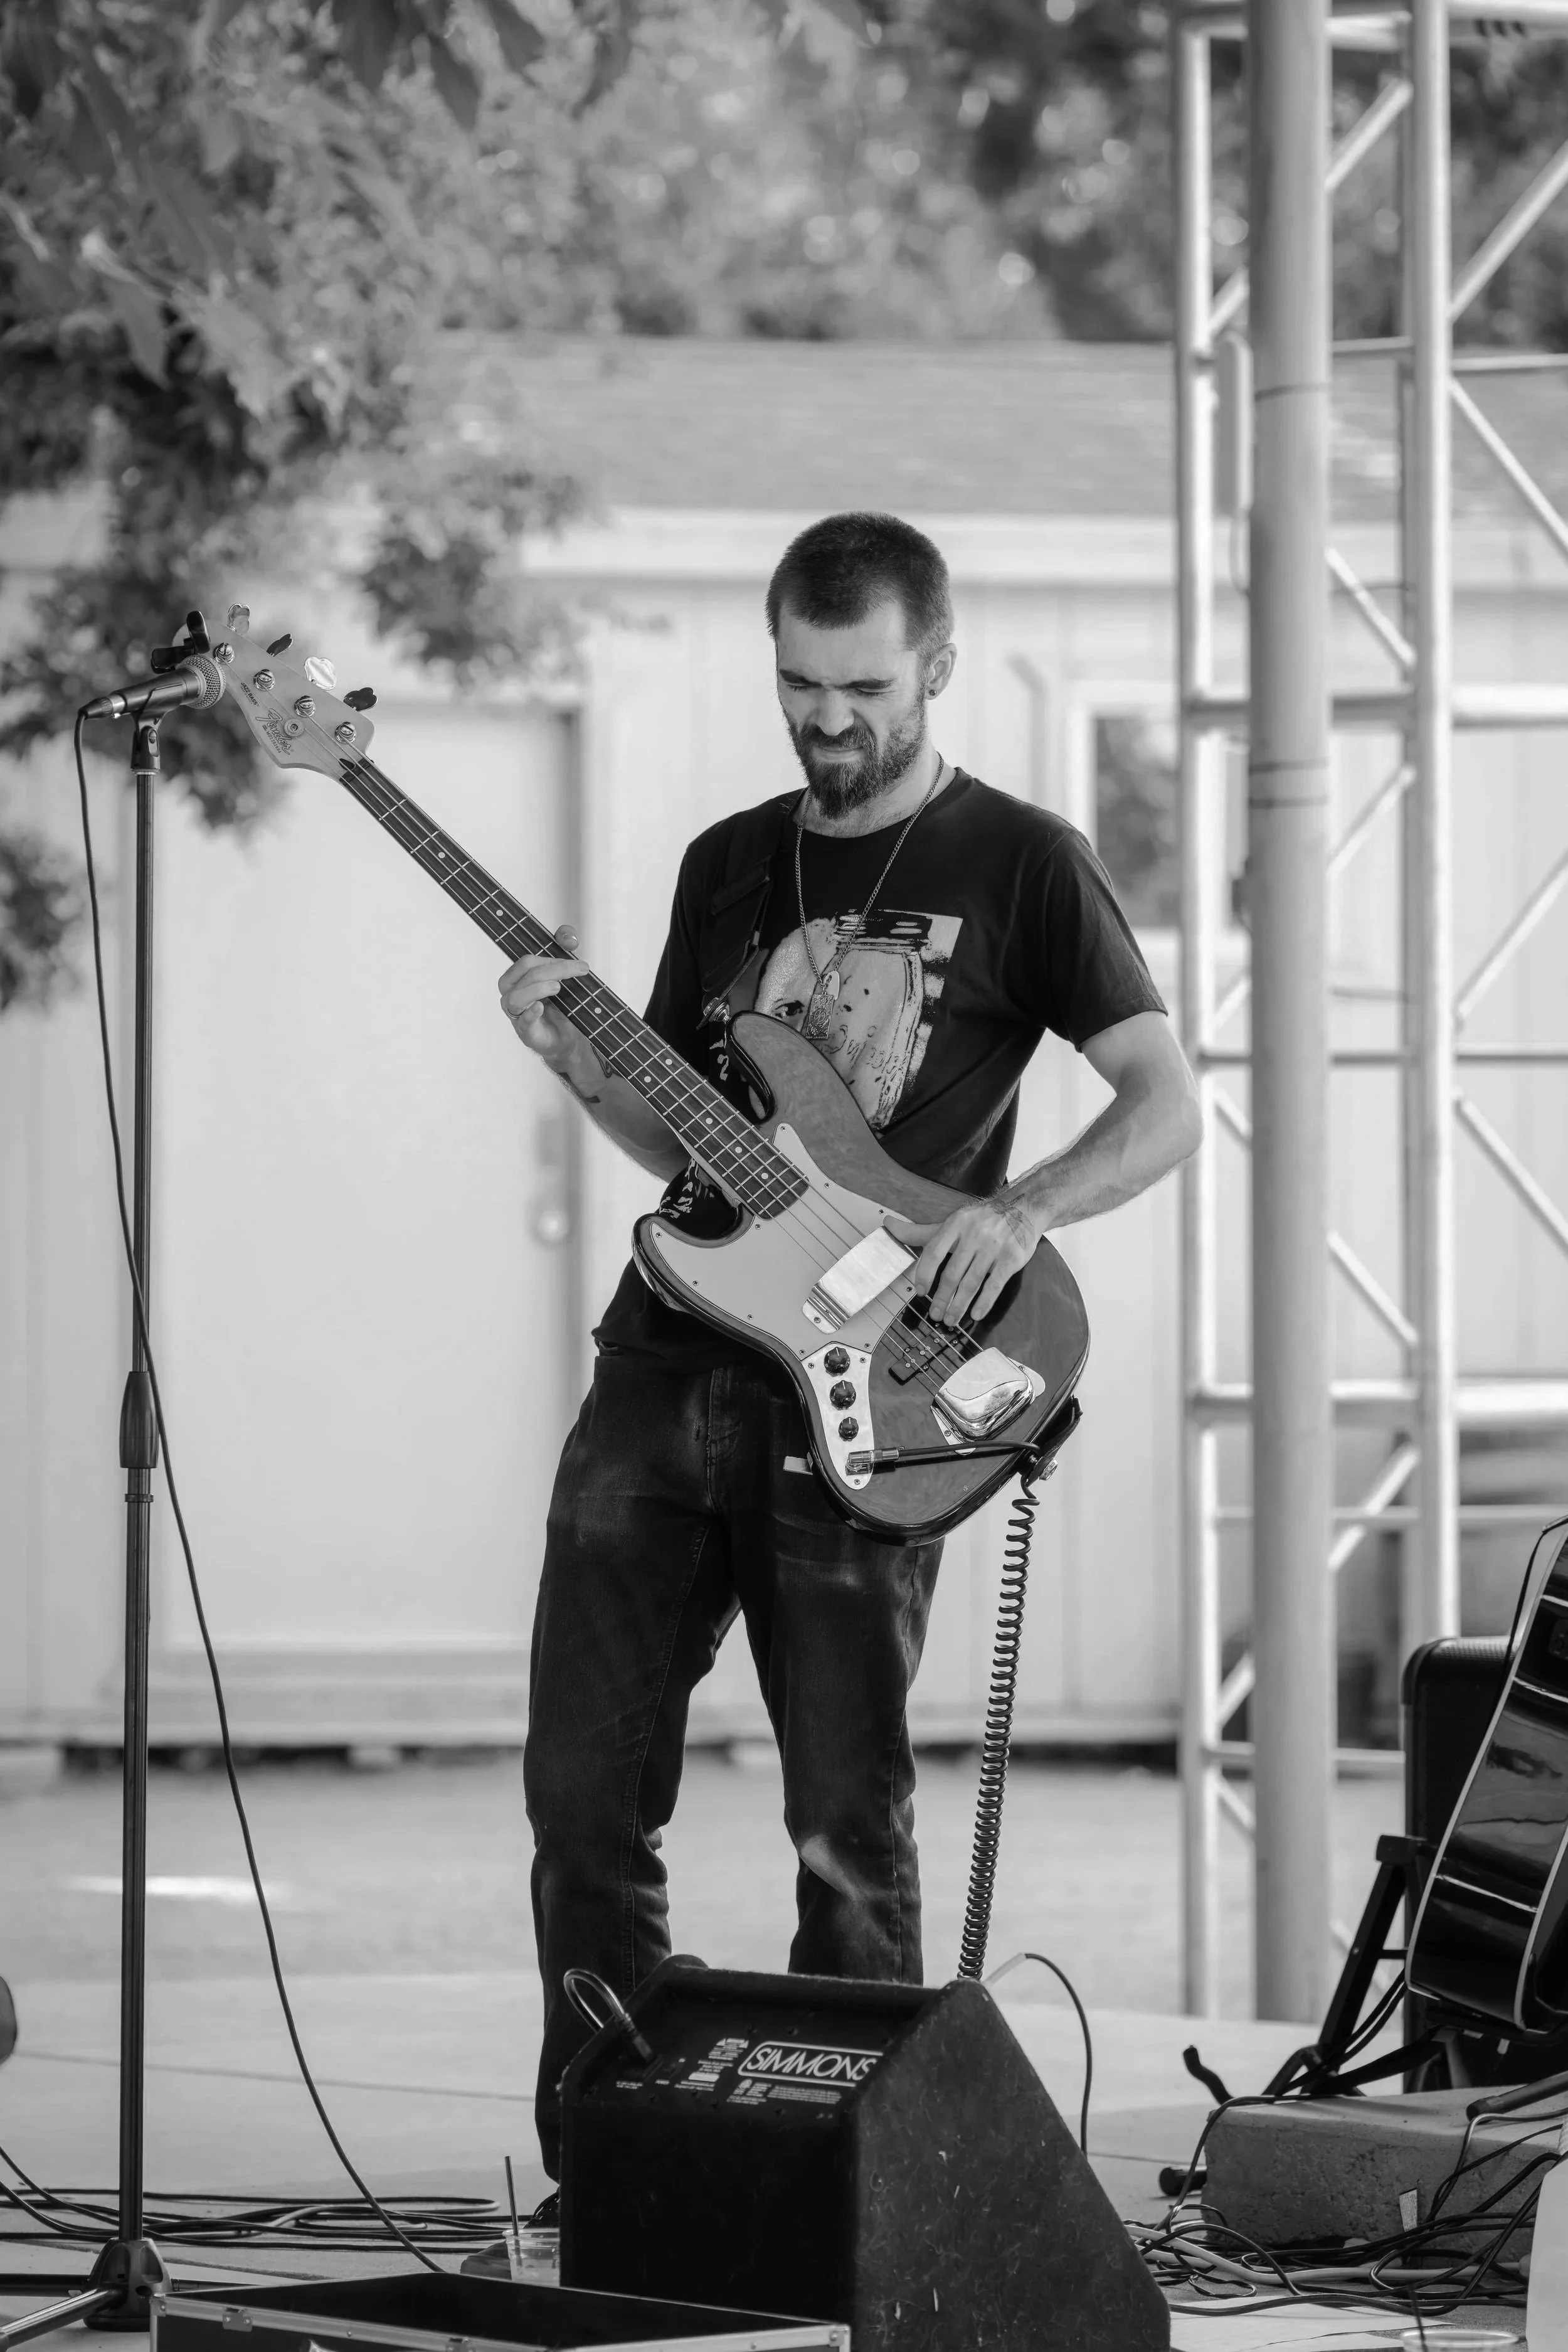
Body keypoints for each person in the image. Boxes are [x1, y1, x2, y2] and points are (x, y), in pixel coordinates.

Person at [501, 511, 1202, 2181]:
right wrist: (564, 1050)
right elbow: (676, 1142)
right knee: (585, 1803)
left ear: (936, 665)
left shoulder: (1023, 861)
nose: (827, 720)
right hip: (666, 1367)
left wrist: (1019, 1208)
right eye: (799, 684)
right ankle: (619, 2156)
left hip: (868, 1393)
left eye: (864, 687)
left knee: (845, 1832)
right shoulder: (731, 860)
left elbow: (1164, 1098)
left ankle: (853, 2191)